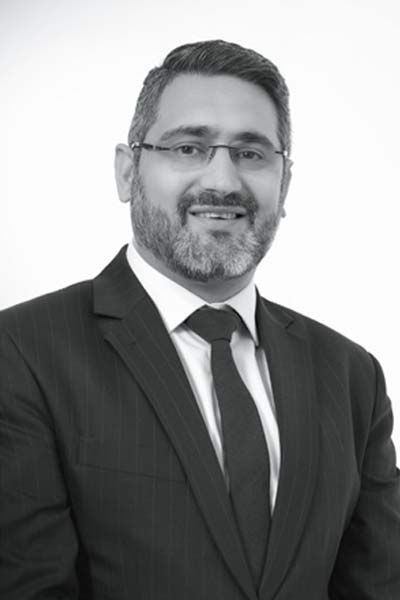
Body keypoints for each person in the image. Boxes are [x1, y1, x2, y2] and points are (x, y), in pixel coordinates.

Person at [0, 39, 399, 600]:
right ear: (127, 172)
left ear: (285, 184)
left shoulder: (352, 375)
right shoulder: (21, 352)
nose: (224, 182)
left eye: (252, 153)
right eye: (189, 148)